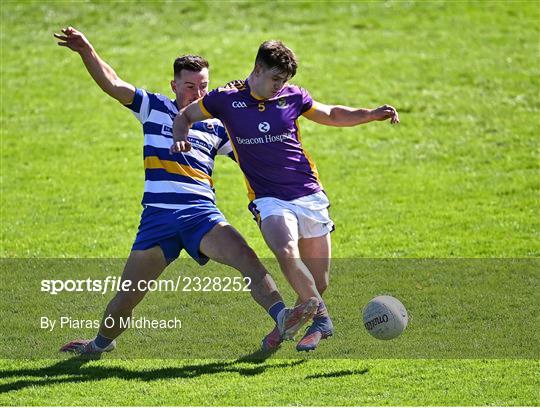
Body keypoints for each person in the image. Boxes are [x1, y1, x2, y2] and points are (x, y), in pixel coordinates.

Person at [54, 28, 318, 355]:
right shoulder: (152, 107)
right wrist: (86, 51)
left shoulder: (218, 124)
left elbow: (259, 155)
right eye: (190, 86)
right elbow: (113, 83)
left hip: (201, 217)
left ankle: (283, 318)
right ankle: (99, 345)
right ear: (174, 86)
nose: (196, 93)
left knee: (248, 260)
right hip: (158, 221)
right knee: (127, 297)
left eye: (203, 86)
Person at [172, 40, 399, 352]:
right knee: (286, 250)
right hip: (268, 198)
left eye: (285, 81)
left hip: (308, 194)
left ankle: (285, 329)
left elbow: (331, 114)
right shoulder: (225, 100)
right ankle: (322, 319)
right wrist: (181, 138)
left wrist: (370, 115)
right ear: (258, 70)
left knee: (318, 282)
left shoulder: (293, 96)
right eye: (276, 79)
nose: (280, 87)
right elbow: (184, 116)